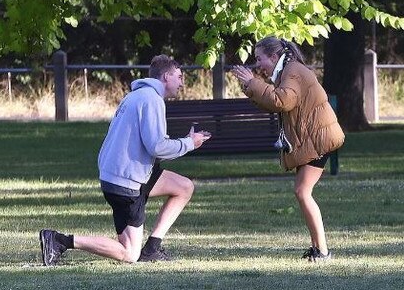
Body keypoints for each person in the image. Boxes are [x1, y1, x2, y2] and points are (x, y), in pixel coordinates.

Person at [39, 55, 211, 266]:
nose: (182, 83)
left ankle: (152, 249)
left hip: (124, 174)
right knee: (129, 253)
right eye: (179, 77)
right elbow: (157, 146)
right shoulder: (151, 100)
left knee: (184, 187)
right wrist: (189, 143)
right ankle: (59, 241)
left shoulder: (135, 96)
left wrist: (187, 142)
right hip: (126, 182)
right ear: (166, 77)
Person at [231, 36, 345, 262]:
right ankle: (317, 249)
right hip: (312, 139)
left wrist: (253, 82)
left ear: (273, 56)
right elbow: (272, 102)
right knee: (302, 192)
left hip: (319, 139)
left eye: (259, 58)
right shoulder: (286, 71)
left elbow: (283, 101)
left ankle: (322, 251)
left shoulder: (292, 70)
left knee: (302, 192)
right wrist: (249, 85)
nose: (258, 64)